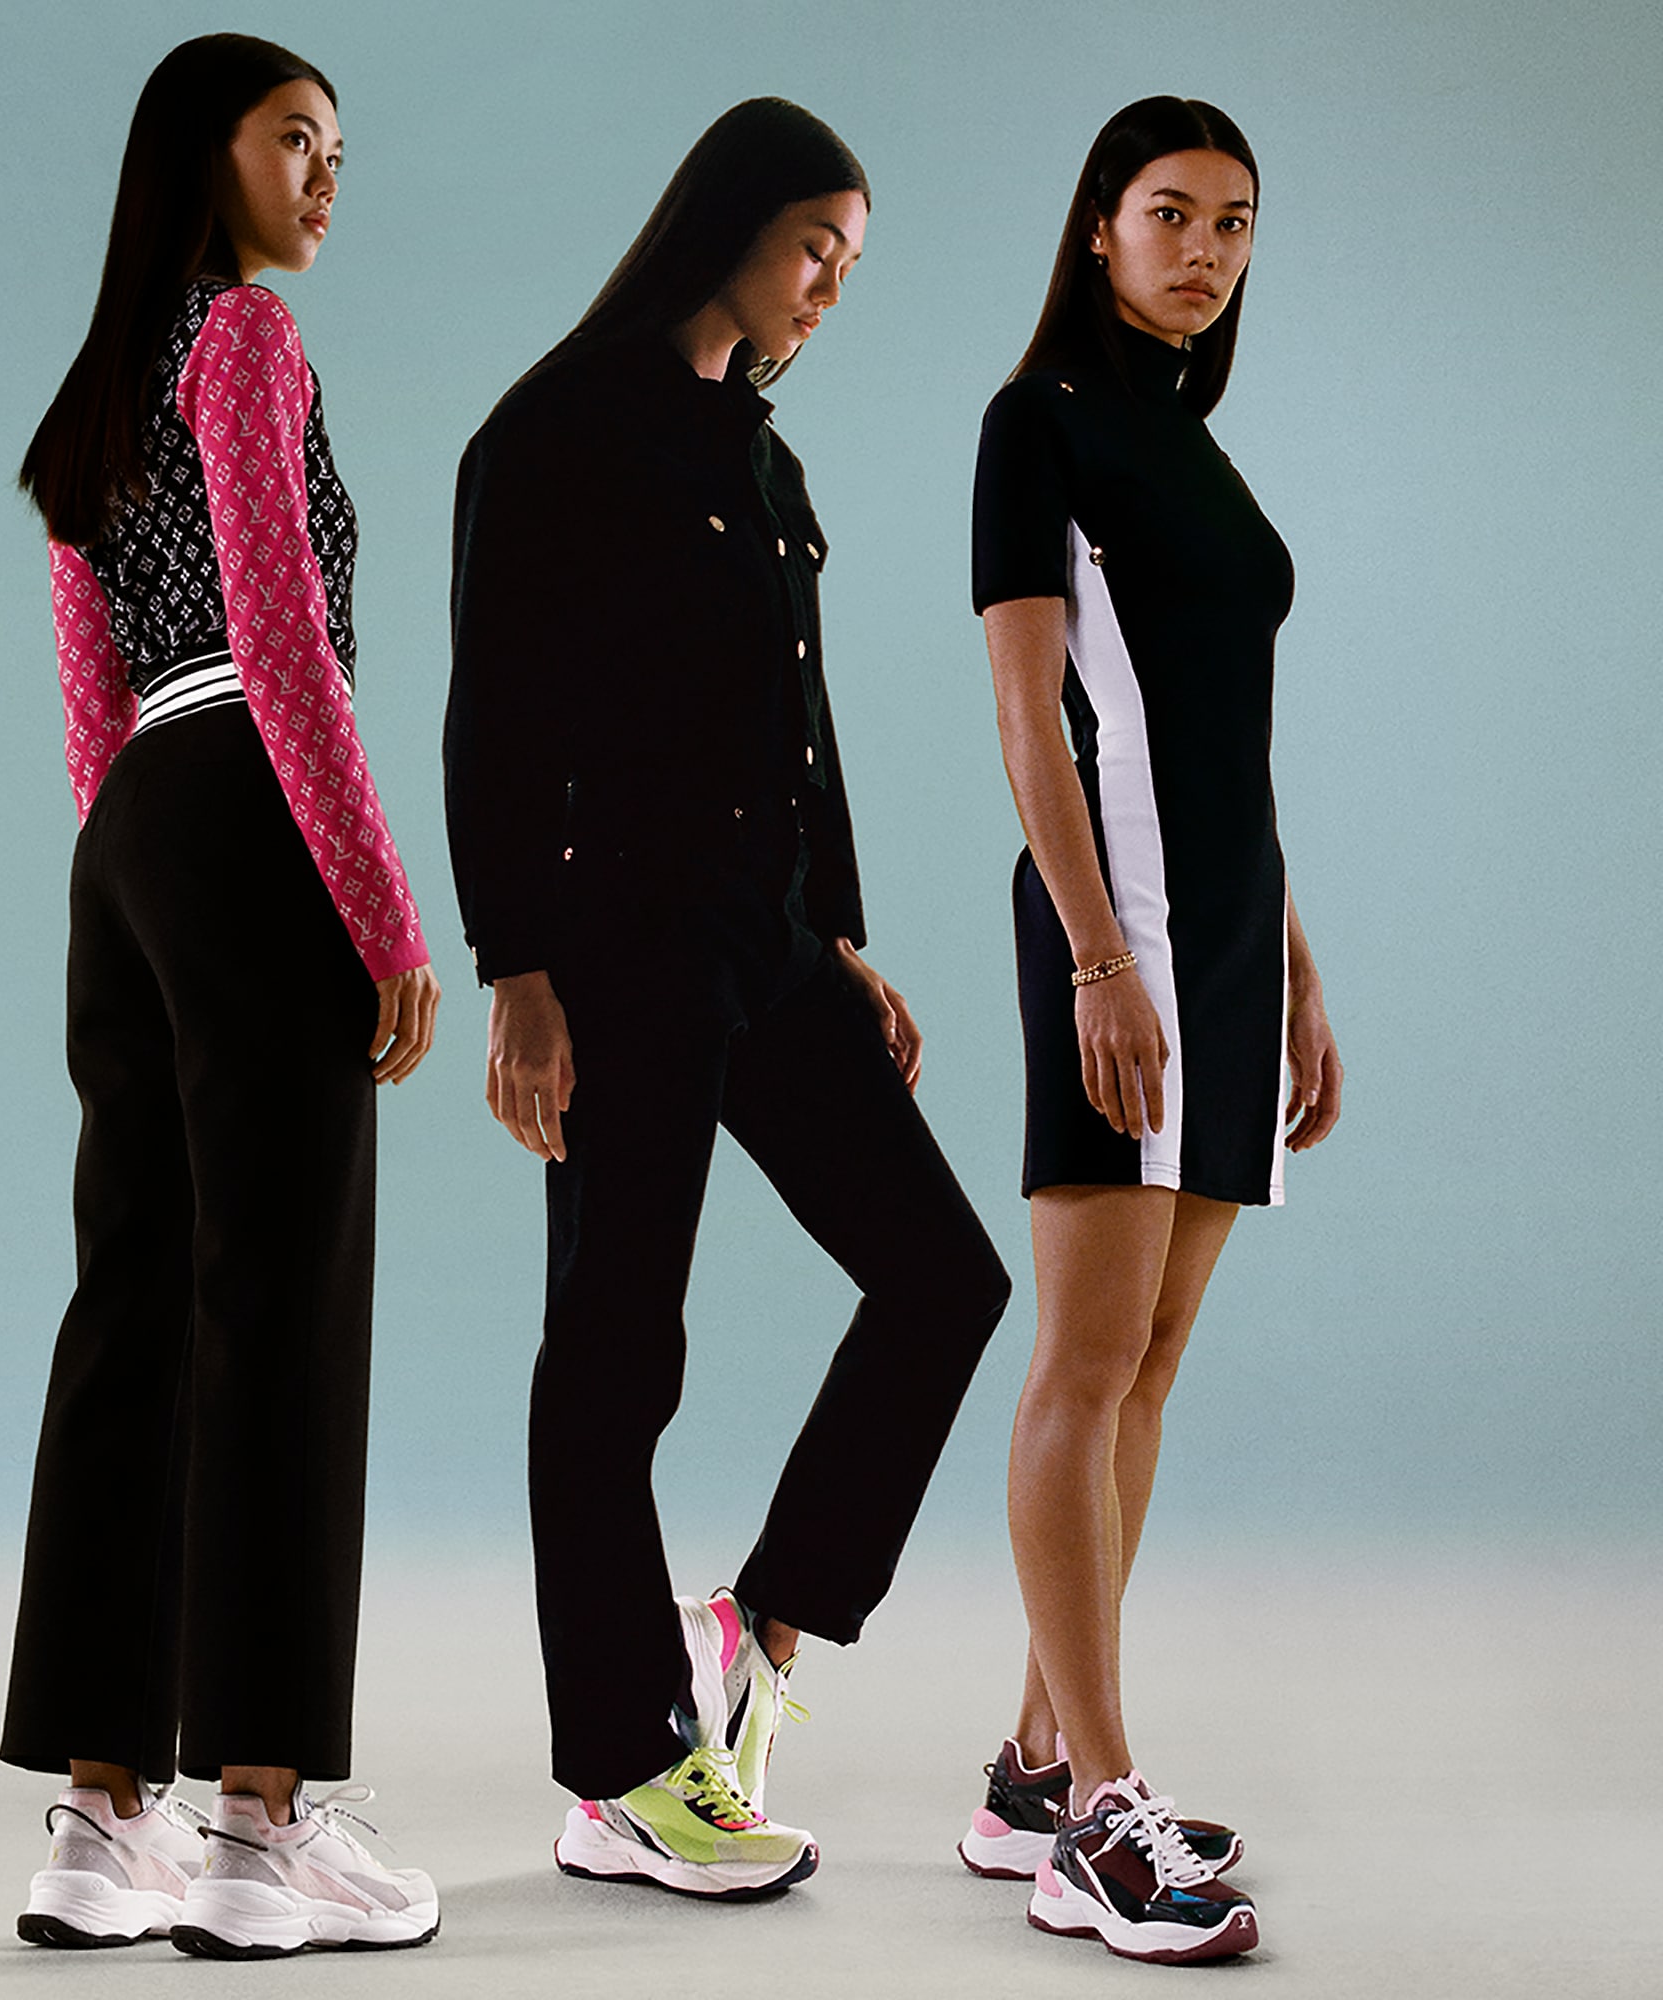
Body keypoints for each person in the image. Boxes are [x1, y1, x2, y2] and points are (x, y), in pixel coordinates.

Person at [444, 96, 1012, 1901]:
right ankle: (621, 1774)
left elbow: (798, 725)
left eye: (851, 262)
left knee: (946, 1280)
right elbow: (491, 723)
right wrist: (516, 972)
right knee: (616, 1353)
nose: (831, 286)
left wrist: (836, 933)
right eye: (814, 248)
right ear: (729, 226)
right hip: (617, 946)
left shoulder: (766, 462)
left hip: (767, 943)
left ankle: (759, 1622)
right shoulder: (552, 429)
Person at [0, 34, 441, 1959]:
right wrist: (383, 912)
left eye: (339, 148)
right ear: (207, 156)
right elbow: (283, 637)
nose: (328, 174)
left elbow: (89, 709)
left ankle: (101, 1825)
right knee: (281, 1303)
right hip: (256, 801)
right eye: (296, 139)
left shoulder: (92, 394)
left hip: (129, 846)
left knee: (134, 1304)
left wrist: (142, 883)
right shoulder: (245, 339)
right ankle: (261, 1825)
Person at [961, 95, 1344, 1963]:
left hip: (1231, 933)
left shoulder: (1195, 445)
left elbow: (1219, 739)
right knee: (1085, 1357)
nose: (1205, 250)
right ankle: (1097, 1819)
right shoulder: (1036, 423)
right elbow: (1030, 719)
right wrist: (1100, 961)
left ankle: (1038, 1765)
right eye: (1172, 213)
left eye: (1236, 222)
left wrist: (1298, 964)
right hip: (1116, 929)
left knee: (1154, 1361)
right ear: (1100, 224)